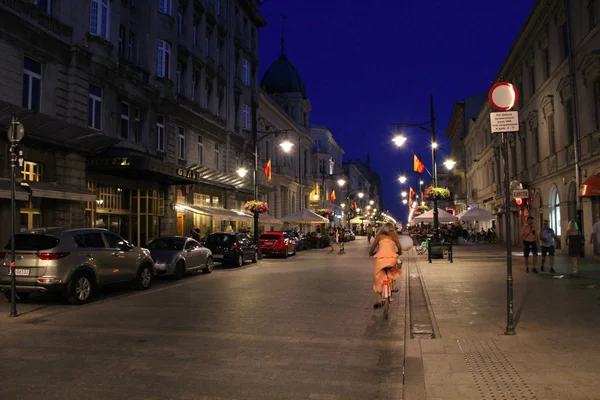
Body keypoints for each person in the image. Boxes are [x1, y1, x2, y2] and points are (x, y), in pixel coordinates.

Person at [369, 222, 402, 309]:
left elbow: (373, 247)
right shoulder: (394, 235)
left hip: (381, 260)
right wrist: (399, 253)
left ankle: (379, 300)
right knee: (393, 269)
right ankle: (393, 286)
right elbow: (399, 247)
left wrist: (371, 253)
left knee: (377, 276)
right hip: (391, 259)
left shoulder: (379, 236)